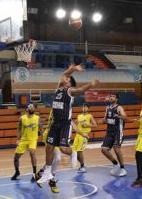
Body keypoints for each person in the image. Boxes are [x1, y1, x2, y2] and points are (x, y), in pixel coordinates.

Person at [37, 64, 99, 192]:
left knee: (64, 149)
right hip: (55, 123)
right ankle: (47, 172)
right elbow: (64, 75)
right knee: (49, 148)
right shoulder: (59, 88)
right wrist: (73, 69)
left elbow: (81, 89)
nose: (64, 78)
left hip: (65, 124)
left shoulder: (70, 91)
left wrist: (90, 85)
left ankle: (74, 152)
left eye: (67, 78)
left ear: (69, 83)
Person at [11, 103, 42, 181]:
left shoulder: (38, 118)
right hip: (23, 140)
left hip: (32, 140)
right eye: (30, 107)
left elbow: (41, 130)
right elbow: (18, 130)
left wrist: (40, 134)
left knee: (32, 152)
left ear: (34, 109)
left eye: (32, 107)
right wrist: (18, 139)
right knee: (16, 157)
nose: (31, 108)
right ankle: (17, 172)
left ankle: (34, 174)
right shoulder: (22, 118)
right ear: (27, 109)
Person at [98, 93, 127, 177]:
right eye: (110, 96)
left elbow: (125, 116)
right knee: (103, 149)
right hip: (109, 131)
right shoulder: (107, 108)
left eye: (113, 96)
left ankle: (123, 168)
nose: (111, 97)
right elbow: (105, 118)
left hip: (118, 131)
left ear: (116, 99)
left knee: (116, 149)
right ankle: (115, 164)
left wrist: (118, 115)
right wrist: (101, 120)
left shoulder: (119, 108)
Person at [73, 103, 97, 173]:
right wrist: (75, 122)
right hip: (77, 135)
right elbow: (75, 123)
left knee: (79, 151)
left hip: (84, 136)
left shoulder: (90, 116)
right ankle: (82, 164)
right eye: (83, 107)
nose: (84, 108)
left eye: (86, 107)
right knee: (74, 151)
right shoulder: (79, 116)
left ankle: (82, 166)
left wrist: (87, 125)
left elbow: (95, 125)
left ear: (88, 108)